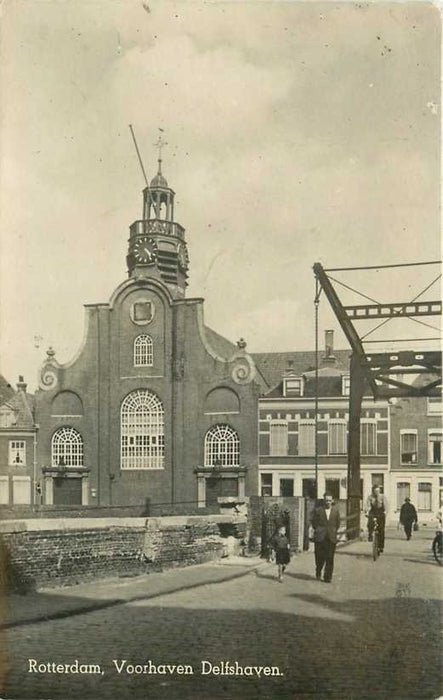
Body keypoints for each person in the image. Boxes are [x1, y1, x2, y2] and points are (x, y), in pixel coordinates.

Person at [311, 493, 341, 583]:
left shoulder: (336, 511)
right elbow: (314, 523)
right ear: (324, 501)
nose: (328, 502)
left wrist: (333, 531)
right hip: (320, 537)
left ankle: (328, 577)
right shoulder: (318, 511)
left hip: (331, 537)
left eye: (329, 500)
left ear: (332, 501)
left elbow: (337, 523)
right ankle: (318, 570)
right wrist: (319, 530)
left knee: (330, 557)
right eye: (326, 500)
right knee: (319, 557)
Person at [365, 485, 388, 552]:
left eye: (378, 491)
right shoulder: (370, 497)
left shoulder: (382, 497)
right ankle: (370, 535)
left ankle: (381, 546)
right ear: (373, 491)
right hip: (373, 511)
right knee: (370, 523)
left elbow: (386, 506)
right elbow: (368, 505)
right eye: (375, 491)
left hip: (380, 512)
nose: (377, 492)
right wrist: (367, 512)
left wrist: (385, 512)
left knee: (381, 530)